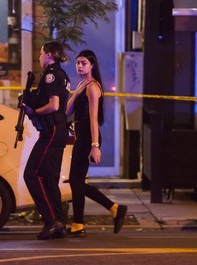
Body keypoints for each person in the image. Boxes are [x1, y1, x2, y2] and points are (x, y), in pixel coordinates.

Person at [66, 49, 127, 237]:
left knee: (76, 181)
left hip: (88, 138)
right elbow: (67, 112)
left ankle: (81, 222)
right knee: (76, 181)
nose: (79, 66)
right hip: (82, 136)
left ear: (92, 65)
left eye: (83, 63)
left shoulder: (93, 87)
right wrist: (75, 93)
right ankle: (111, 210)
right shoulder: (82, 85)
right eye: (77, 62)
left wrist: (95, 146)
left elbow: (93, 119)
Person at [23, 41, 71, 240]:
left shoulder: (51, 75)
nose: (39, 57)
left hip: (51, 131)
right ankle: (58, 223)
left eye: (41, 54)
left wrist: (33, 110)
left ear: (50, 54)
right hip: (58, 129)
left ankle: (52, 221)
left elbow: (53, 105)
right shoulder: (61, 74)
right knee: (50, 178)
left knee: (32, 174)